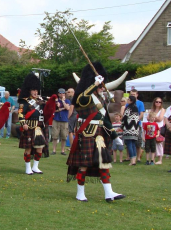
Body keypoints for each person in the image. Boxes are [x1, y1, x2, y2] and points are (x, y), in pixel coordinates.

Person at [67, 61, 125, 202]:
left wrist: (115, 136)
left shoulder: (100, 98)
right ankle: (80, 193)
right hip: (87, 133)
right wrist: (94, 83)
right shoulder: (84, 96)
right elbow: (83, 98)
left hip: (99, 135)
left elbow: (105, 119)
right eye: (99, 84)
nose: (101, 87)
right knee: (84, 165)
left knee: (103, 163)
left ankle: (109, 192)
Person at [17, 73, 56, 175]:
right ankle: (27, 168)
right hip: (29, 127)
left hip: (39, 128)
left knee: (40, 148)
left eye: (36, 90)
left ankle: (35, 167)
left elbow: (47, 111)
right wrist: (23, 124)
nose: (35, 92)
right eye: (33, 90)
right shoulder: (24, 101)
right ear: (29, 90)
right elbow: (21, 114)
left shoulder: (41, 101)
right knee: (28, 148)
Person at [51, 88, 71, 155]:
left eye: (63, 93)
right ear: (58, 94)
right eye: (60, 93)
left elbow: (68, 108)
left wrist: (63, 101)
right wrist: (62, 108)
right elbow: (54, 110)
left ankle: (62, 150)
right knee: (55, 136)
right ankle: (54, 150)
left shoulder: (67, 101)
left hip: (65, 120)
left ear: (64, 94)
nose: (61, 94)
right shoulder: (55, 101)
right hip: (56, 120)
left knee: (64, 136)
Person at [122, 94, 140, 166]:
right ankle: (134, 160)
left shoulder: (128, 108)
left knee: (129, 144)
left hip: (128, 128)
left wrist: (122, 126)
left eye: (128, 99)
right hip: (135, 129)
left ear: (131, 101)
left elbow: (125, 118)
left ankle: (132, 160)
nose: (127, 100)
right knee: (133, 144)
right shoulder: (136, 108)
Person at [148, 97, 166, 164]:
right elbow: (148, 118)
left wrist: (152, 118)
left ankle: (160, 159)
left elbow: (160, 119)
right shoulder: (152, 109)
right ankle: (152, 158)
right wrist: (154, 118)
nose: (158, 103)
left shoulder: (162, 110)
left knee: (159, 143)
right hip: (152, 128)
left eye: (159, 102)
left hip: (159, 127)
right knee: (152, 143)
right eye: (157, 102)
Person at [129, 89, 145, 162]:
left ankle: (138, 157)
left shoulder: (140, 103)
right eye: (131, 94)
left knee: (138, 142)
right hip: (129, 125)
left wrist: (136, 120)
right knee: (130, 141)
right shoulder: (128, 103)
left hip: (137, 124)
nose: (133, 96)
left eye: (134, 94)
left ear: (137, 95)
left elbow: (141, 113)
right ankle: (131, 157)